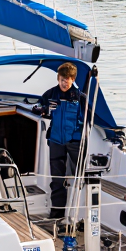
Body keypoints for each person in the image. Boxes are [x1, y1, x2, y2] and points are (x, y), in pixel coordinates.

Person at [36, 62, 88, 219]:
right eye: (61, 79)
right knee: (57, 180)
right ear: (58, 78)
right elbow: (37, 106)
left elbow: (89, 119)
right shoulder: (51, 94)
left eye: (67, 79)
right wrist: (42, 110)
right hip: (56, 141)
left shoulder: (81, 97)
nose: (64, 83)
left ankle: (80, 215)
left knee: (80, 177)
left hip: (75, 143)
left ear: (73, 79)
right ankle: (57, 215)